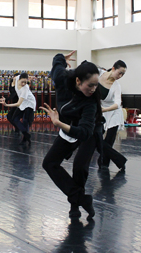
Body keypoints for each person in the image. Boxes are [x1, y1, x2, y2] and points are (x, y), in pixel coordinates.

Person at [41, 51, 103, 220]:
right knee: (49, 163)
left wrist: (59, 124)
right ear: (77, 81)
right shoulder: (63, 78)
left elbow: (84, 132)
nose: (93, 89)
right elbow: (56, 62)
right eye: (89, 85)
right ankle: (82, 199)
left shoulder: (90, 103)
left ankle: (74, 205)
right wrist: (62, 58)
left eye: (95, 85)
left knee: (79, 167)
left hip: (88, 130)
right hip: (69, 127)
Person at [98, 60, 127, 170]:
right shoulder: (99, 73)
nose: (121, 76)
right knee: (97, 138)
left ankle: (104, 163)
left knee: (109, 140)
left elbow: (117, 104)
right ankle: (119, 159)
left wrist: (104, 110)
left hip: (114, 112)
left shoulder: (116, 86)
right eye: (120, 73)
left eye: (123, 74)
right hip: (102, 111)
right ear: (113, 68)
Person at [0, 72, 36, 145]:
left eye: (26, 82)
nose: (24, 84)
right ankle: (26, 133)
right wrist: (31, 77)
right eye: (23, 82)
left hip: (29, 103)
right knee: (15, 118)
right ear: (19, 79)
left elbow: (18, 103)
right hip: (23, 102)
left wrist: (6, 104)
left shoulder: (25, 89)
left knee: (25, 121)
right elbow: (16, 77)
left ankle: (25, 138)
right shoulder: (17, 78)